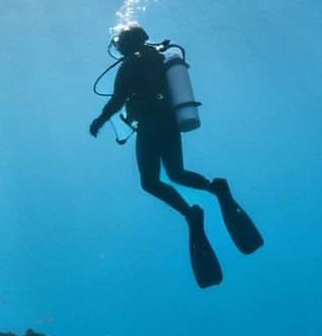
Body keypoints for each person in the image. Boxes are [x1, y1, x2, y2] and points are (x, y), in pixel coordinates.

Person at [89, 24, 260, 287]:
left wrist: (100, 120)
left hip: (149, 125)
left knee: (150, 182)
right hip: (169, 121)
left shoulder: (129, 65)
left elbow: (118, 99)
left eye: (120, 41)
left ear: (126, 43)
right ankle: (216, 188)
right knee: (176, 172)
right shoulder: (160, 57)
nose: (118, 46)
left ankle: (190, 214)